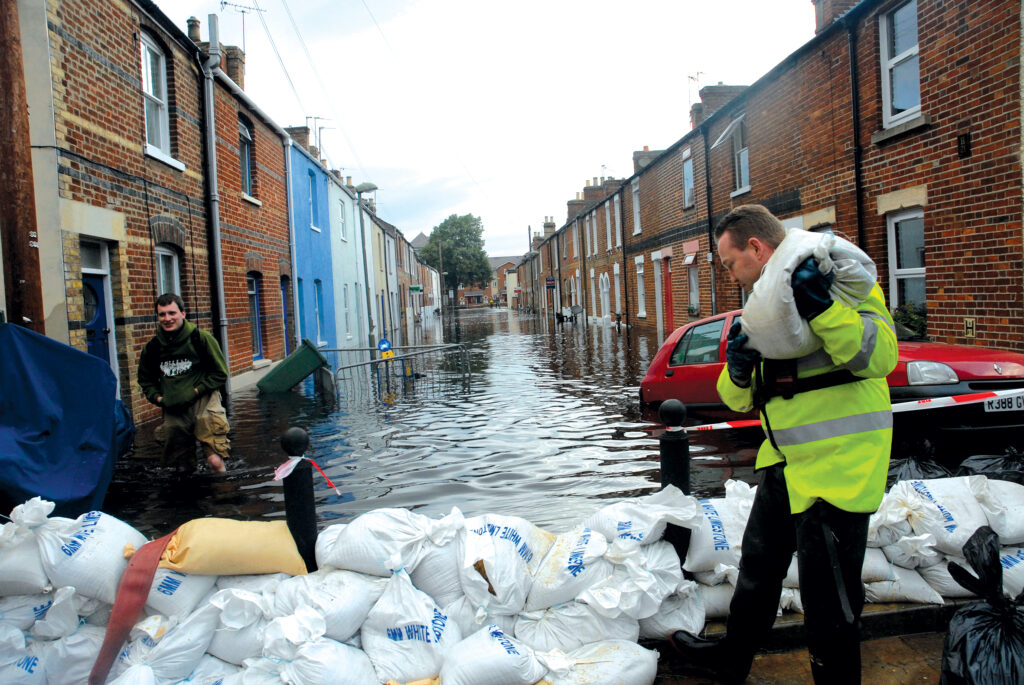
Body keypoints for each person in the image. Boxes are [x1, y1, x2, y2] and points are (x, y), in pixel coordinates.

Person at [670, 205, 898, 684]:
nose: (731, 276)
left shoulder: (844, 286)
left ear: (757, 248)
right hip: (786, 463)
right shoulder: (765, 313)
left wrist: (824, 309)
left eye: (731, 263)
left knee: (828, 599)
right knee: (757, 569)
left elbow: (878, 358)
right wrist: (735, 367)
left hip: (841, 468)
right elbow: (738, 400)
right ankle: (732, 659)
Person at [138, 293, 230, 474]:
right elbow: (145, 380)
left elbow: (220, 374)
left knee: (214, 461)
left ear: (183, 313)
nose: (167, 319)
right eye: (162, 314)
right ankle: (190, 501)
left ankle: (224, 498)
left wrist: (196, 390)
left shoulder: (201, 339)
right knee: (182, 466)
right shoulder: (153, 347)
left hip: (204, 402)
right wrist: (157, 397)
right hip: (173, 408)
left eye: (172, 313)